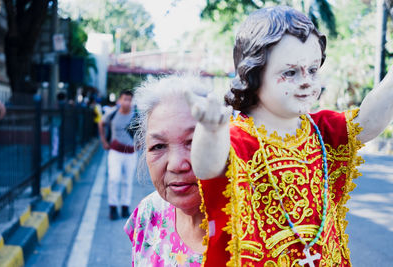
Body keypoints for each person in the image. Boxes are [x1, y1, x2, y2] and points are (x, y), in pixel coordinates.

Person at [185, 6, 393, 267]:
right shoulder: (238, 139)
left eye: (313, 70)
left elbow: (368, 121)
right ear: (253, 75)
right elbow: (207, 167)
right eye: (291, 72)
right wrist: (210, 129)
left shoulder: (322, 130)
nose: (306, 81)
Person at [124, 75, 209, 266]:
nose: (176, 165)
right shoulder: (149, 213)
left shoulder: (255, 227)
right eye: (159, 146)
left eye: (193, 142)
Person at [98, 90, 137, 220]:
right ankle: (113, 207)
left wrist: (140, 143)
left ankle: (125, 206)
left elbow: (143, 129)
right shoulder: (112, 113)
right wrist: (104, 141)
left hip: (131, 153)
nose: (127, 102)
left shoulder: (135, 115)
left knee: (127, 181)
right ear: (119, 100)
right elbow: (101, 124)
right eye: (124, 99)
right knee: (114, 179)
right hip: (115, 151)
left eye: (129, 100)